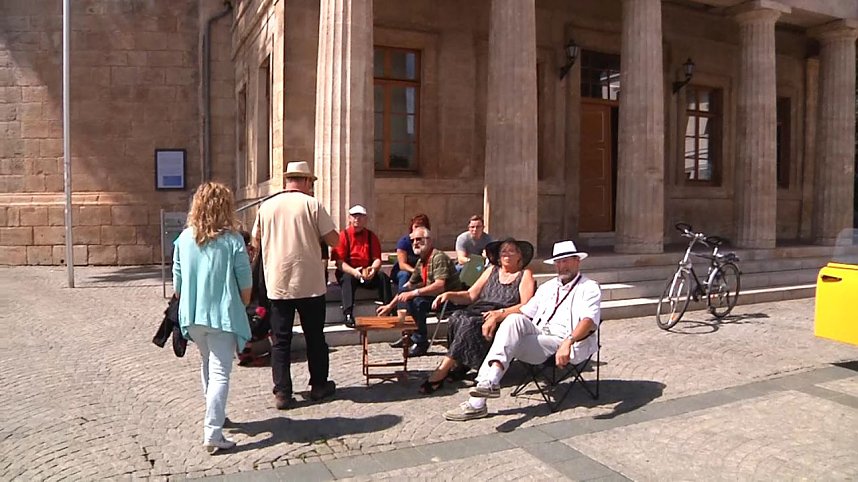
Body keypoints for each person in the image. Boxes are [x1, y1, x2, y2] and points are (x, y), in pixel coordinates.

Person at [443, 240, 601, 421]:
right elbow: (525, 310)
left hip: (563, 341)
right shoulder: (548, 287)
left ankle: (477, 403)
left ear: (577, 261)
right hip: (539, 335)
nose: (562, 265)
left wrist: (569, 341)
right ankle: (490, 381)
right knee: (513, 320)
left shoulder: (589, 287)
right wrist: (498, 314)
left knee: (505, 340)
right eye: (558, 261)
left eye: (566, 261)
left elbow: (589, 320)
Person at [172, 182, 253, 454]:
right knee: (220, 371)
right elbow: (245, 282)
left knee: (208, 364)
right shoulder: (232, 240)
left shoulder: (184, 239)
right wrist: (244, 304)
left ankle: (215, 415)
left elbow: (178, 282)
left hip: (193, 314)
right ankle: (213, 431)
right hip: (222, 314)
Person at [252, 160, 339, 410]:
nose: (312, 187)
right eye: (310, 182)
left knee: (280, 340)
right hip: (309, 282)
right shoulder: (312, 204)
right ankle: (319, 385)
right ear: (305, 181)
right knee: (315, 337)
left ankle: (282, 392)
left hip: (278, 283)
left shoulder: (266, 207)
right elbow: (334, 239)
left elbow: (256, 243)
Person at [420, 238, 536, 394]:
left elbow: (526, 305)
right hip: (480, 309)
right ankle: (460, 365)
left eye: (511, 251)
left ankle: (442, 370)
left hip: (504, 315)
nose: (507, 254)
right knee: (457, 316)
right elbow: (470, 295)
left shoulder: (524, 274)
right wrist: (448, 294)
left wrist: (499, 314)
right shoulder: (491, 270)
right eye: (503, 251)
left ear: (519, 256)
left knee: (469, 323)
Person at [377, 226, 463, 357]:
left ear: (429, 240)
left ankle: (421, 342)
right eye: (413, 240)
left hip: (449, 299)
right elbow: (408, 287)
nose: (415, 243)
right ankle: (410, 334)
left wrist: (414, 293)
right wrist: (389, 306)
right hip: (434, 297)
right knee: (410, 297)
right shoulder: (421, 260)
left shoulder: (438, 257)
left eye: (419, 239)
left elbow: (440, 286)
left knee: (417, 301)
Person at [332, 204, 393, 327]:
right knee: (347, 280)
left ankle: (388, 308)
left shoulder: (371, 236)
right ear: (349, 218)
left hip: (366, 270)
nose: (357, 219)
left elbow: (377, 259)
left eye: (360, 216)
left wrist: (373, 269)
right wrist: (354, 272)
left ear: (365, 219)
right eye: (354, 216)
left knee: (383, 277)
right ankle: (348, 313)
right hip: (349, 271)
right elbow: (339, 263)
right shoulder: (343, 236)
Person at [391, 214, 431, 294]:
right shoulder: (404, 242)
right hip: (403, 271)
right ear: (412, 227)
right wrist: (416, 272)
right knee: (404, 274)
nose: (418, 229)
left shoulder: (427, 241)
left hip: (420, 271)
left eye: (421, 226)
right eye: (416, 226)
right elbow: (402, 265)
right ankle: (402, 303)